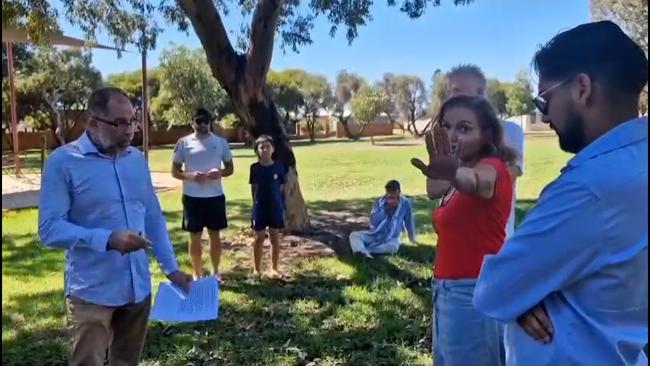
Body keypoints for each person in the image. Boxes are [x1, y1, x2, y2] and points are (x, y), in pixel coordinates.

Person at [473, 21, 648, 366]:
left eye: (545, 98)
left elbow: (493, 291)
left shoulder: (589, 187)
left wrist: (520, 294)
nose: (544, 113)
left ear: (581, 88)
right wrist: (521, 292)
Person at [38, 87, 192, 366]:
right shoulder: (63, 162)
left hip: (137, 289)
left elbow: (152, 217)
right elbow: (50, 229)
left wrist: (172, 269)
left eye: (133, 121)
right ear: (92, 122)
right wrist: (107, 239)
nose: (130, 130)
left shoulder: (136, 160)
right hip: (91, 292)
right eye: (120, 122)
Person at [411, 95, 517, 366]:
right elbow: (434, 189)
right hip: (447, 290)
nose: (452, 135)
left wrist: (455, 172)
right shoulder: (460, 172)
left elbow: (473, 182)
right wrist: (447, 168)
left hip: (474, 292)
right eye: (446, 126)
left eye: (464, 128)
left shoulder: (491, 169)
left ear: (487, 134)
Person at [428, 64, 525, 238]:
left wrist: (453, 173)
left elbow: (499, 181)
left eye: (456, 91)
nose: (450, 98)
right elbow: (434, 189)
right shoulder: (450, 135)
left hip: (493, 242)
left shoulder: (510, 131)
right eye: (449, 91)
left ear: (480, 93)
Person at [172, 108, 234, 282]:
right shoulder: (183, 143)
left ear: (210, 122)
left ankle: (215, 272)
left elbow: (230, 169)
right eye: (198, 121)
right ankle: (197, 273)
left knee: (215, 236)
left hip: (215, 197)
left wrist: (220, 172)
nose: (202, 124)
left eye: (205, 121)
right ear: (192, 122)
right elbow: (174, 172)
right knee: (195, 237)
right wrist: (189, 176)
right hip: (192, 198)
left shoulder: (220, 143)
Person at [248, 135, 286, 279]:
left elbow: (281, 187)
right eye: (261, 147)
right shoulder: (254, 168)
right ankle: (256, 270)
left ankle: (274, 269)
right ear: (257, 150)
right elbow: (254, 189)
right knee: (258, 239)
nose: (264, 149)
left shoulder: (279, 166)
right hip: (260, 208)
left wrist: (279, 203)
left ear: (273, 149)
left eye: (267, 146)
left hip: (275, 207)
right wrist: (255, 206)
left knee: (275, 238)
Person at [348, 180, 417, 259]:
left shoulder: (406, 203)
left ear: (399, 192)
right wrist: (386, 210)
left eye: (395, 194)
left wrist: (412, 239)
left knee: (394, 247)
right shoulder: (379, 202)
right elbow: (373, 221)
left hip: (391, 238)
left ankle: (364, 252)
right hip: (374, 234)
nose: (392, 197)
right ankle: (363, 253)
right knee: (354, 235)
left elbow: (409, 222)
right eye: (390, 194)